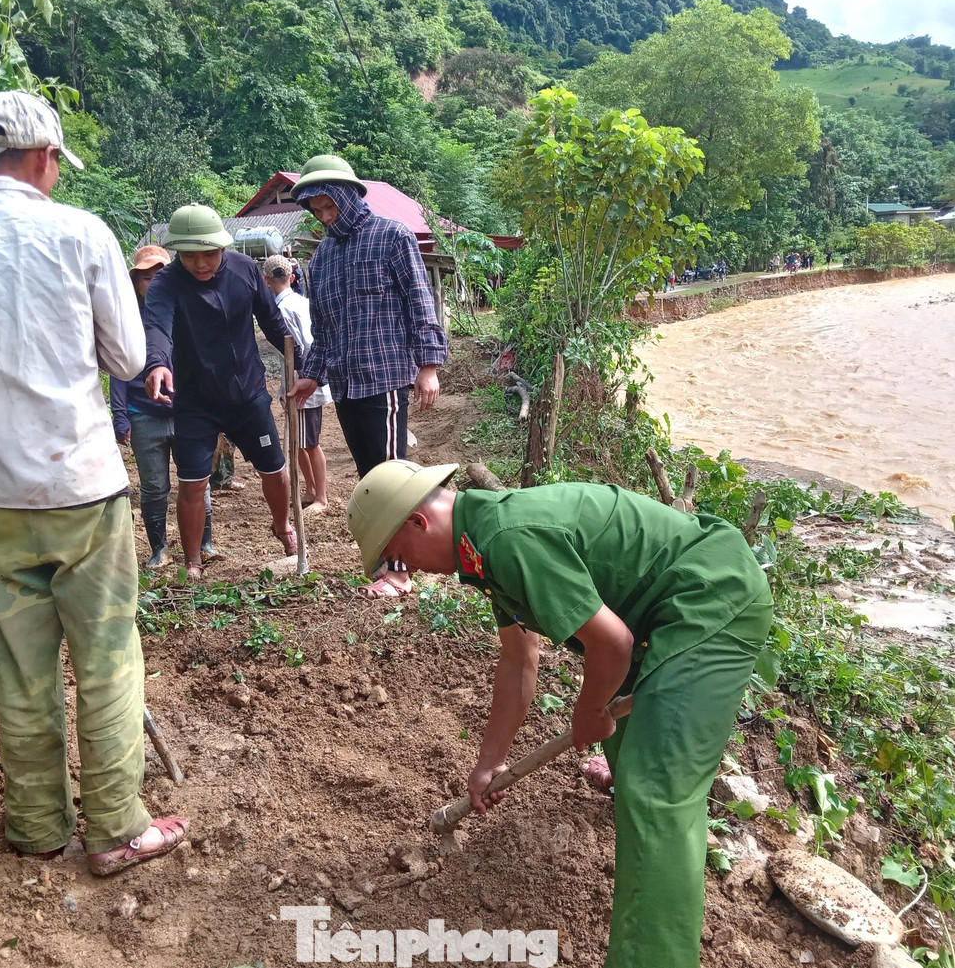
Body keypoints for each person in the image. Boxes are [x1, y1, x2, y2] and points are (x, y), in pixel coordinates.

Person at [0, 90, 188, 876]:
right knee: (109, 656)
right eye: (57, 163)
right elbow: (126, 359)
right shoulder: (82, 233)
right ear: (48, 158)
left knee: (20, 667)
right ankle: (117, 827)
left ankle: (35, 824)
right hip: (83, 488)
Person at [345, 460, 773, 968]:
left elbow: (612, 644)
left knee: (659, 795)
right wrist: (490, 761)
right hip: (656, 610)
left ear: (419, 523)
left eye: (399, 556)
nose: (408, 570)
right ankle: (635, 796)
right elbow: (519, 660)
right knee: (632, 759)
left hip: (709, 596)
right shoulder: (482, 544)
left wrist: (589, 709)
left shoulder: (507, 539)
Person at [287, 154, 448, 599]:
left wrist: (428, 366)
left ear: (348, 197)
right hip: (345, 383)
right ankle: (387, 561)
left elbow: (420, 303)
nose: (324, 217)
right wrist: (310, 375)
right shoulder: (320, 261)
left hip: (387, 377)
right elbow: (323, 331)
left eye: (329, 207)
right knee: (369, 479)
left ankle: (400, 570)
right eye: (316, 211)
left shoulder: (391, 237)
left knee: (393, 475)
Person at [142, 204, 297, 580]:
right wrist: (158, 363)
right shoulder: (166, 283)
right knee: (193, 483)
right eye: (189, 256)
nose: (200, 264)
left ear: (222, 247)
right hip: (195, 401)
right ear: (177, 252)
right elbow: (157, 327)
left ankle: (282, 526)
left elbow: (274, 323)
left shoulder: (244, 270)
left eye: (208, 254)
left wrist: (301, 365)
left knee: (274, 470)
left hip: (247, 394)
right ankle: (193, 560)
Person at [109, 245, 219, 568]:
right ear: (136, 281)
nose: (153, 282)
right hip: (143, 414)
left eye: (160, 275)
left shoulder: (191, 310)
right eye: (146, 277)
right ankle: (159, 548)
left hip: (189, 411)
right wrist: (120, 416)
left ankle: (205, 542)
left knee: (197, 480)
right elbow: (118, 372)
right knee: (155, 486)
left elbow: (207, 360)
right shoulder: (127, 320)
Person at [262, 253, 331, 511]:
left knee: (309, 442)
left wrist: (301, 377)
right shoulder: (302, 302)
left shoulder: (282, 309)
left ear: (266, 280)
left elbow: (300, 347)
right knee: (301, 441)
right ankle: (312, 489)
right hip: (305, 378)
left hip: (302, 381)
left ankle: (321, 496)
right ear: (290, 277)